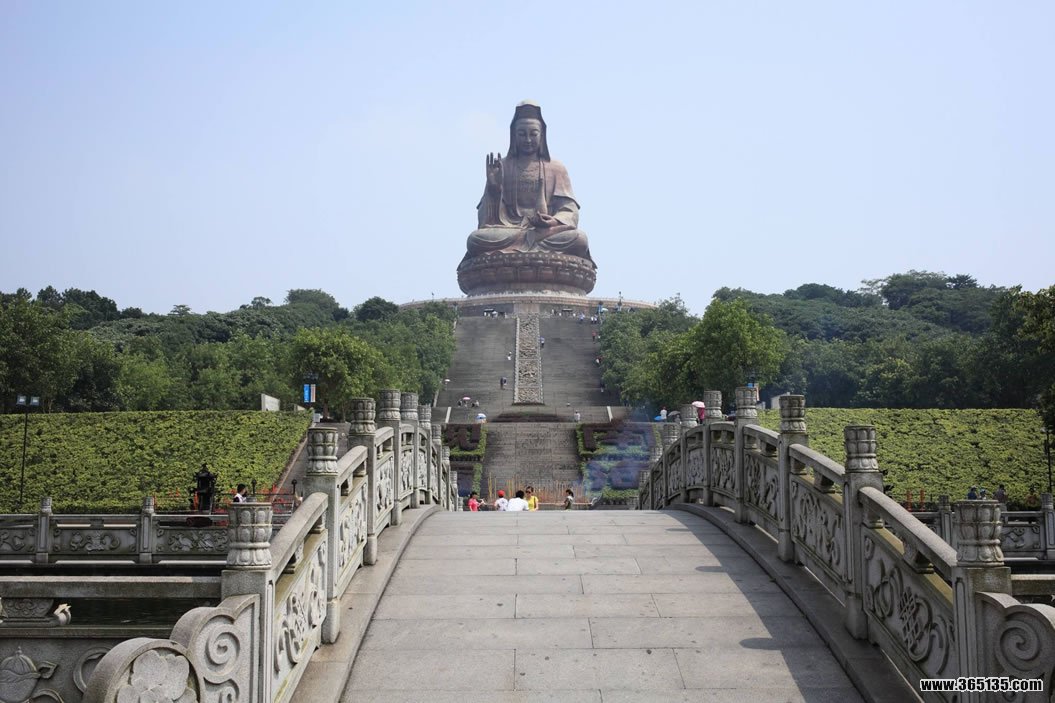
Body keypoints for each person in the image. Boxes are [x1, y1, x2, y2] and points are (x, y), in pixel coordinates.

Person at [463, 101, 593, 262]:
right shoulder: (502, 166)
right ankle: (527, 247)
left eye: (533, 134)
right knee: (476, 240)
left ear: (542, 135)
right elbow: (486, 220)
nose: (528, 139)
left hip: (545, 232)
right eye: (522, 134)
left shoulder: (556, 168)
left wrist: (554, 221)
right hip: (511, 229)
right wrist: (493, 190)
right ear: (514, 135)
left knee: (579, 239)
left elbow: (569, 210)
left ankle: (522, 248)